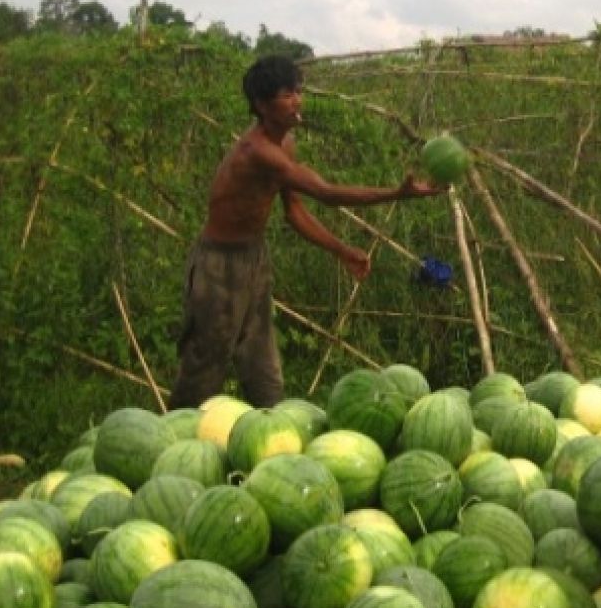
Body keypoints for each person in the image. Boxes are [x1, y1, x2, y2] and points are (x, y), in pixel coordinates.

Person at [167, 55, 444, 410]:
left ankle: (272, 430)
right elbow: (326, 194)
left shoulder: (285, 145)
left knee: (261, 362)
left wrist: (341, 249)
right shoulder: (258, 152)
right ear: (262, 105)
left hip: (254, 258)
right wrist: (397, 193)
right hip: (219, 265)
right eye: (287, 94)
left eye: (299, 91)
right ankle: (175, 441)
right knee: (205, 365)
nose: (298, 100)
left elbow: (294, 211)